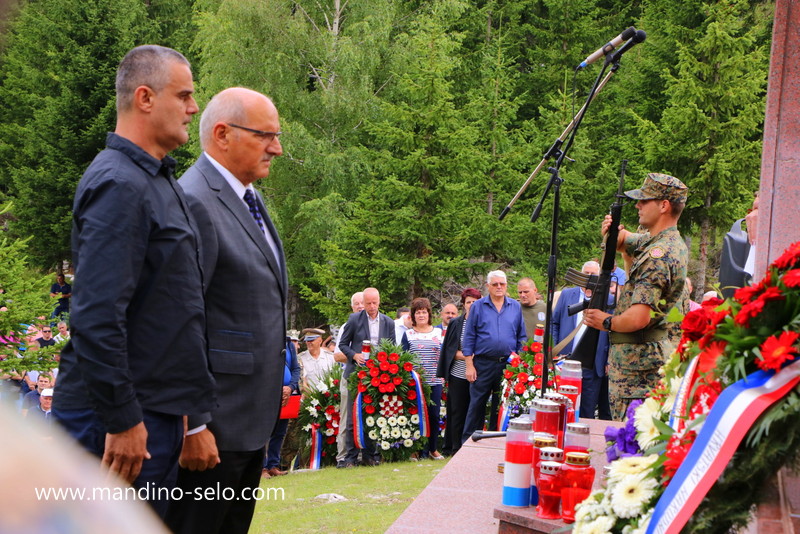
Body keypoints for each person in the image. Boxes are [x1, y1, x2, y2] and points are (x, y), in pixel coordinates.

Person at [52, 45, 215, 518]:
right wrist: (122, 419)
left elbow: (170, 310)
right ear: (145, 98)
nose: (193, 107)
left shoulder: (155, 180)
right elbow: (96, 315)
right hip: (115, 422)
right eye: (183, 95)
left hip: (152, 413)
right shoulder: (119, 184)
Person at [165, 87, 287, 534]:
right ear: (222, 134)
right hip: (214, 428)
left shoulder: (246, 198)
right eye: (266, 136)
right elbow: (179, 320)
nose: (276, 147)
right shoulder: (195, 200)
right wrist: (192, 425)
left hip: (248, 421)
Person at [584, 173, 689, 420]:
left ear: (664, 205)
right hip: (642, 364)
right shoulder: (664, 242)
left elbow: (639, 316)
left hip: (640, 369)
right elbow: (628, 243)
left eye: (645, 200)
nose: (637, 205)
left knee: (633, 439)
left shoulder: (659, 255)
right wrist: (616, 240)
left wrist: (606, 321)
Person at [461, 271, 526, 443]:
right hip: (482, 364)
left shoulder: (515, 306)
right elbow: (469, 336)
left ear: (506, 286)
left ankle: (496, 444)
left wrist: (519, 362)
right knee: (476, 406)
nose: (499, 287)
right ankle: (467, 445)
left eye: (502, 284)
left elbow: (522, 336)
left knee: (502, 407)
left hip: (507, 365)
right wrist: (469, 365)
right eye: (495, 284)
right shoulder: (478, 306)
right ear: (488, 286)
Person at [337, 287, 396, 467]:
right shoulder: (354, 319)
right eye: (368, 303)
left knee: (373, 415)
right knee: (352, 418)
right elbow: (342, 344)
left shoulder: (388, 322)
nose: (371, 307)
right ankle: (350, 458)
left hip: (378, 375)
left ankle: (370, 455)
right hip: (356, 373)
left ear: (379, 302)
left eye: (374, 303)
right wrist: (354, 355)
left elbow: (392, 348)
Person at [551, 261, 611, 420]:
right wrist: (556, 348)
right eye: (587, 274)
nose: (590, 278)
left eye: (594, 275)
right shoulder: (566, 295)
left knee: (587, 410)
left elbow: (612, 332)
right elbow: (555, 323)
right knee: (563, 406)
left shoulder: (607, 299)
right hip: (566, 360)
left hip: (593, 363)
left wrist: (608, 360)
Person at [437, 288, 481, 455]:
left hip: (479, 375)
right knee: (457, 412)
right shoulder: (456, 323)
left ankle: (472, 449)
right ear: (463, 304)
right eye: (469, 302)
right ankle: (455, 448)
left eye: (475, 302)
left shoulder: (484, 322)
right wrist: (468, 356)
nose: (472, 305)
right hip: (458, 374)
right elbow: (449, 350)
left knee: (475, 411)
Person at [402, 298, 445, 459]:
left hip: (435, 381)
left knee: (434, 415)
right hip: (415, 383)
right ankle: (414, 448)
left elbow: (444, 356)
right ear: (413, 315)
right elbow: (404, 358)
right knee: (415, 415)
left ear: (429, 314)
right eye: (418, 312)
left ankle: (432, 449)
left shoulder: (438, 333)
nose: (421, 315)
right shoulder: (408, 334)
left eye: (424, 312)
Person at [334, 291, 365, 466]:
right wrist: (356, 356)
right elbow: (337, 355)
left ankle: (363, 454)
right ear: (352, 307)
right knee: (347, 417)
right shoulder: (348, 325)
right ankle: (342, 456)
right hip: (350, 377)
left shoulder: (374, 326)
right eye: (356, 304)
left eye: (363, 303)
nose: (360, 306)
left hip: (369, 378)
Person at [264, 337, 301, 478]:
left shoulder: (289, 344)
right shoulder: (266, 340)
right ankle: (261, 468)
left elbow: (295, 368)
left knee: (280, 432)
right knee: (264, 432)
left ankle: (273, 465)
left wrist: (290, 387)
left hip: (286, 395)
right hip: (268, 393)